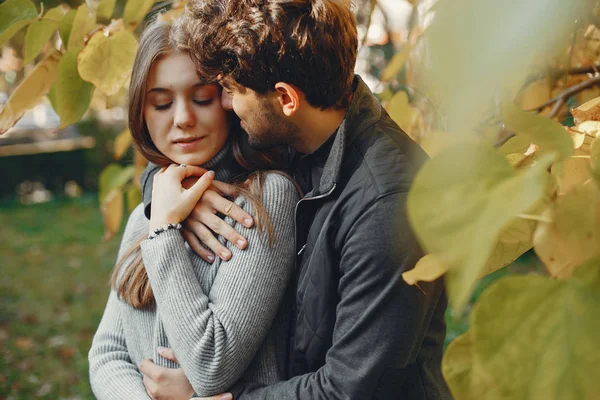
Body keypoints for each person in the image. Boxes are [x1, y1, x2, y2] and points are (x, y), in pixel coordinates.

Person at [141, 0, 452, 398]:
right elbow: (179, 149)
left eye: (233, 91)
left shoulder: (387, 204)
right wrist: (171, 196)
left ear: (286, 98)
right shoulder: (290, 133)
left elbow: (349, 389)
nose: (224, 105)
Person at [88, 19, 300, 400]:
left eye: (201, 98)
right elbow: (107, 354)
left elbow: (211, 365)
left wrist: (166, 233)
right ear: (142, 112)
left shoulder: (267, 197)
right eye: (162, 103)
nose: (183, 118)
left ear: (228, 100)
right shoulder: (146, 215)